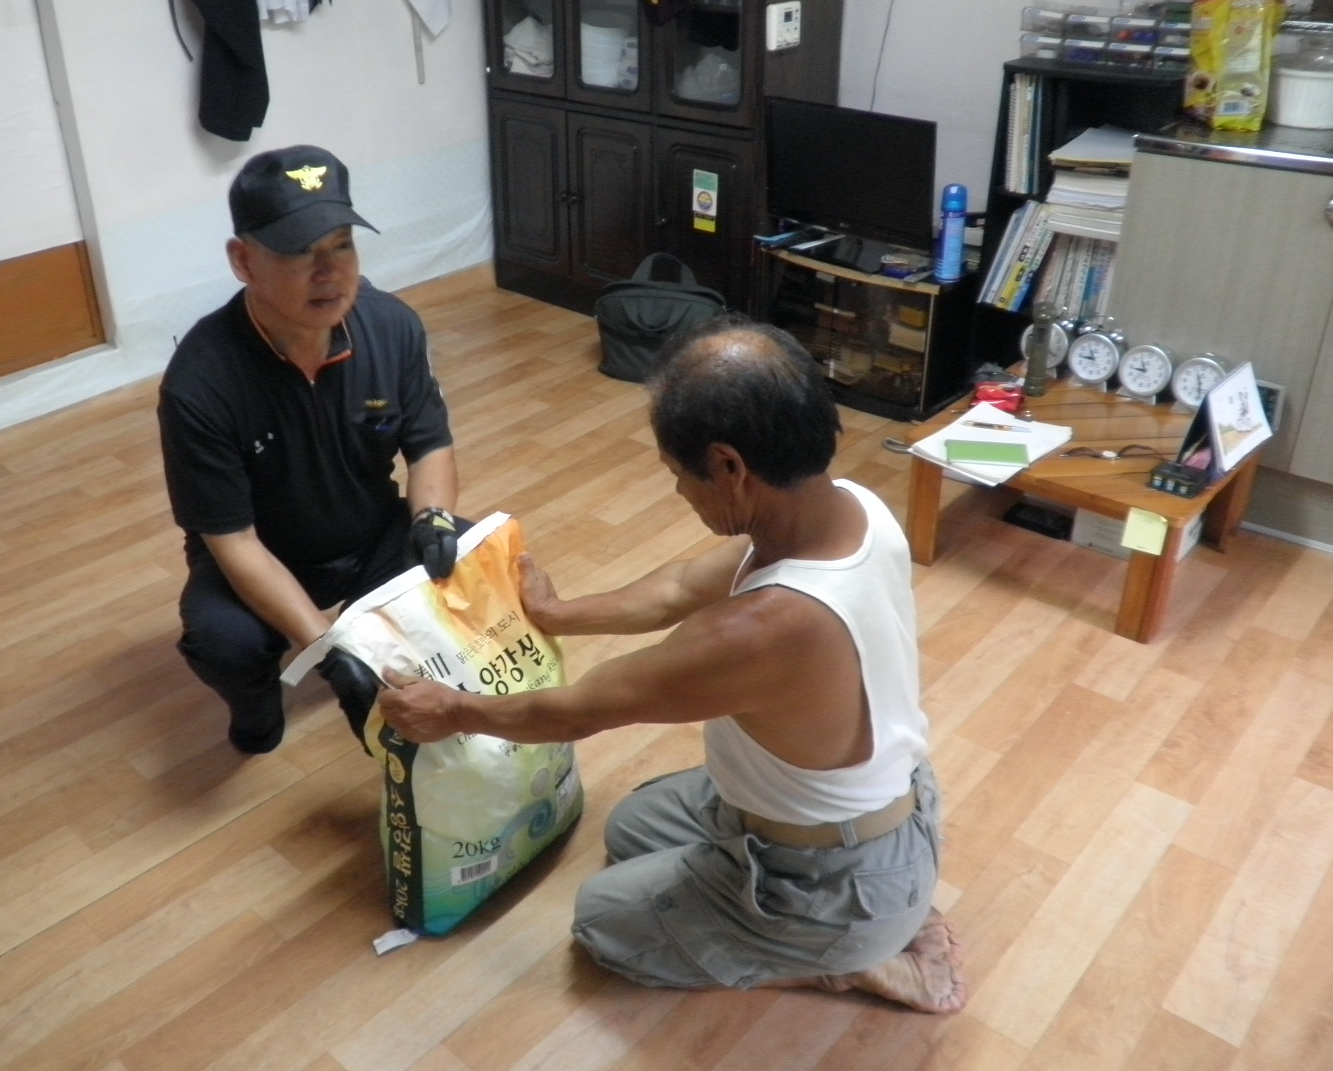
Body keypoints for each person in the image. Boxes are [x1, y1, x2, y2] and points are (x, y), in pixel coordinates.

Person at [377, 318, 965, 1013]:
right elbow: (681, 587)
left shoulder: (767, 627)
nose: (679, 492)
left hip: (832, 881)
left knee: (601, 921)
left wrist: (455, 710)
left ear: (728, 466)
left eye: (677, 474)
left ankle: (851, 958)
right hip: (879, 813)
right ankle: (876, 915)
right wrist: (560, 614)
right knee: (631, 827)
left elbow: (579, 711)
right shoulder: (848, 507)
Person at [158, 145, 461, 755]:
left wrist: (432, 519)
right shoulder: (200, 382)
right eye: (299, 252)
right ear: (242, 261)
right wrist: (329, 652)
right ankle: (256, 705)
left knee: (465, 560)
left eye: (341, 246)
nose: (328, 272)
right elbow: (234, 542)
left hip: (369, 536)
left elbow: (429, 445)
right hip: (262, 555)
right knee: (224, 642)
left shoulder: (392, 327)